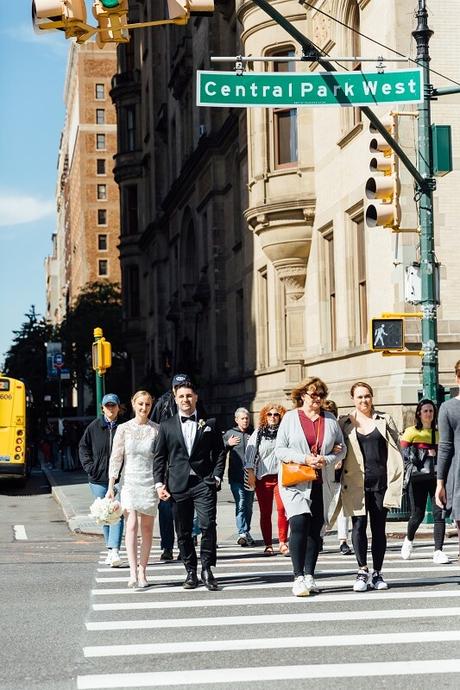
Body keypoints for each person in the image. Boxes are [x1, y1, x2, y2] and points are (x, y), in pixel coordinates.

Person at [275, 378, 346, 597]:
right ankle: (297, 577)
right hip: (295, 481)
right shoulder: (290, 418)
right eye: (314, 394)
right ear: (303, 394)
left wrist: (327, 458)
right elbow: (280, 450)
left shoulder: (330, 419)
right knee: (299, 521)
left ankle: (309, 575)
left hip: (320, 480)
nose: (317, 399)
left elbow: (341, 449)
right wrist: (305, 458)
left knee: (315, 529)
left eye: (321, 395)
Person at [153, 382, 226, 591]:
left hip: (204, 482)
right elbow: (160, 458)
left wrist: (218, 477)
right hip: (178, 485)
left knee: (208, 525)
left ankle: (207, 568)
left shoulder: (209, 423)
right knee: (183, 531)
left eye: (189, 396)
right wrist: (159, 484)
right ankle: (190, 571)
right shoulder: (166, 426)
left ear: (196, 397)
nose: (185, 400)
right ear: (175, 399)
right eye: (181, 396)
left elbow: (219, 452)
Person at [337, 381, 403, 593]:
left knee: (378, 528)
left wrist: (397, 476)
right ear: (353, 399)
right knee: (358, 526)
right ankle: (362, 570)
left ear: (372, 397)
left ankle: (377, 572)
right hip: (355, 482)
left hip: (380, 482)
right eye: (359, 397)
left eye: (367, 396)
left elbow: (396, 448)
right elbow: (336, 448)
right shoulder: (345, 422)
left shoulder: (385, 419)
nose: (364, 400)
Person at [151, 373, 207, 561]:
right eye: (178, 387)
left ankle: (189, 542)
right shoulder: (162, 403)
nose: (183, 394)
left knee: (191, 512)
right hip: (170, 463)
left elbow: (206, 427)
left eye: (185, 386)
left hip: (191, 467)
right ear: (173, 390)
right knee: (166, 510)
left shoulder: (195, 404)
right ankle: (167, 546)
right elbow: (154, 427)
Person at [107, 391, 159, 588]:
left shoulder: (156, 430)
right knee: (130, 526)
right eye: (140, 404)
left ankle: (143, 571)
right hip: (129, 482)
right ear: (133, 404)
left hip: (149, 483)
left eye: (147, 404)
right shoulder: (123, 429)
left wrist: (161, 484)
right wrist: (111, 486)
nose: (144, 408)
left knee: (147, 529)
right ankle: (131, 571)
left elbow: (160, 460)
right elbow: (116, 457)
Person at [401, 399, 449, 563]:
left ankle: (438, 551)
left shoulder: (439, 433)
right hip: (417, 478)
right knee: (417, 515)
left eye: (431, 411)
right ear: (419, 414)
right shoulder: (411, 432)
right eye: (425, 411)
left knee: (439, 514)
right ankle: (409, 540)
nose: (428, 414)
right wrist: (425, 453)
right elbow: (404, 456)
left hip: (437, 478)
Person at [79, 393, 124, 568]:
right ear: (102, 408)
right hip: (98, 479)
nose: (110, 409)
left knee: (117, 514)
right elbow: (83, 448)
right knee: (104, 515)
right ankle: (110, 548)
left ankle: (115, 551)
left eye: (113, 405)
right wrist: (90, 467)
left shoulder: (124, 426)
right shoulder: (94, 427)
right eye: (107, 406)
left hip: (120, 479)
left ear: (118, 407)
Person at [245, 404, 289, 556]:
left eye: (276, 414)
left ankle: (283, 543)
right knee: (265, 512)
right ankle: (268, 544)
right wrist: (250, 472)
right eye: (269, 414)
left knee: (283, 510)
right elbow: (250, 453)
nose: (273, 417)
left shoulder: (285, 432)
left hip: (281, 477)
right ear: (265, 416)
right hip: (262, 479)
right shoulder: (258, 433)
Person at [435, 360, 460, 557]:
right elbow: (444, 448)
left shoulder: (448, 408)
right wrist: (441, 483)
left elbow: (445, 447)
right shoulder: (448, 408)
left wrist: (440, 483)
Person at [323, 399, 352, 556]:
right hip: (324, 472)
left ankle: (343, 540)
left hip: (342, 473)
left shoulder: (340, 427)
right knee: (324, 507)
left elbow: (345, 447)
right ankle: (320, 536)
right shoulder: (320, 427)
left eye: (332, 414)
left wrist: (339, 458)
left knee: (342, 509)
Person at [223, 407, 255, 546]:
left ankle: (246, 531)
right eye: (242, 418)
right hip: (236, 476)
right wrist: (227, 444)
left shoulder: (253, 433)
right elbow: (218, 451)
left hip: (251, 476)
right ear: (236, 420)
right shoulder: (230, 434)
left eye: (247, 418)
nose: (245, 421)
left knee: (248, 505)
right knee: (241, 503)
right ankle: (241, 532)